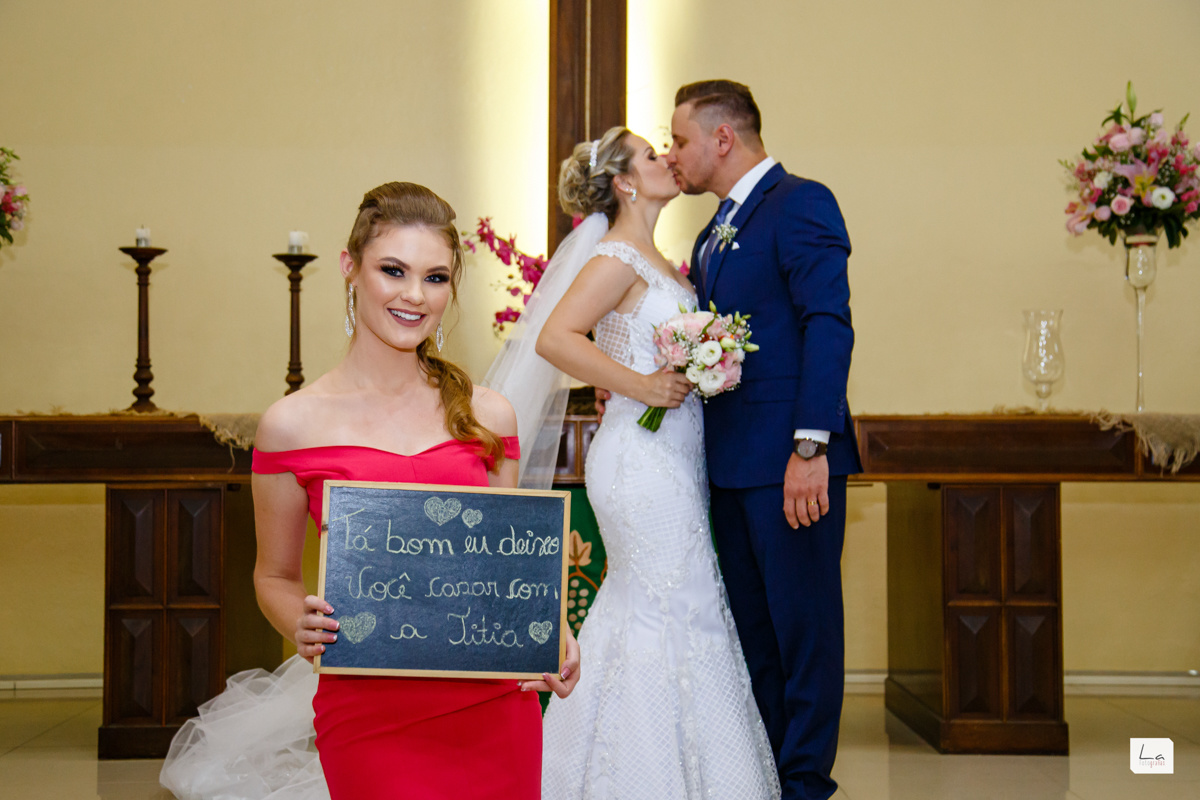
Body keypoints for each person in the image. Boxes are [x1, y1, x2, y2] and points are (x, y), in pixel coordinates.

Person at [160, 181, 580, 800]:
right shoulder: (291, 425)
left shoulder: (489, 416)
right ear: (350, 268)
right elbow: (273, 576)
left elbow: (506, 568)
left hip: (493, 707)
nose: (415, 295)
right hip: (367, 712)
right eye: (393, 270)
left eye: (435, 278)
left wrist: (551, 631)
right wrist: (299, 623)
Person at [484, 127, 780, 799]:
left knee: (676, 601)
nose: (667, 159)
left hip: (674, 455)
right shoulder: (616, 256)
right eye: (652, 154)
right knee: (661, 602)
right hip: (639, 462)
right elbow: (556, 337)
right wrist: (641, 384)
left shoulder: (665, 261)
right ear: (623, 182)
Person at [663, 80, 861, 800]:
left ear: (723, 138)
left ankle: (806, 784)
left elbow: (827, 323)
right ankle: (769, 777)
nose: (671, 154)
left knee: (805, 632)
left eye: (679, 139)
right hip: (730, 465)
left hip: (788, 461)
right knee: (757, 635)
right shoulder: (710, 232)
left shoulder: (801, 202)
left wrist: (811, 448)